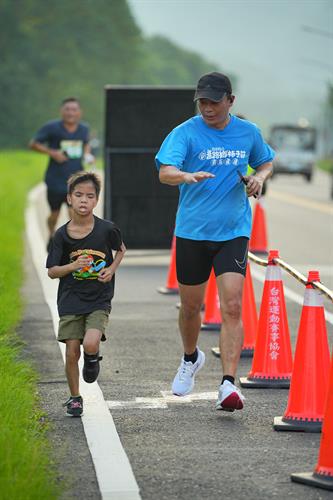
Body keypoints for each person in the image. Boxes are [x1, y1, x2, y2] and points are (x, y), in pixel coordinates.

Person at [155, 72, 274, 412]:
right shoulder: (185, 133)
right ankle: (191, 358)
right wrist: (185, 175)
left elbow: (264, 161)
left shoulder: (248, 132)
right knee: (191, 307)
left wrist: (258, 178)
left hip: (233, 231)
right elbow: (165, 172)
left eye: (214, 101)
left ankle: (228, 385)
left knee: (232, 305)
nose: (207, 108)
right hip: (192, 232)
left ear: (230, 101)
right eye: (202, 102)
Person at [46, 171, 126, 417]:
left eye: (89, 196)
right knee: (72, 350)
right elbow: (52, 271)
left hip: (98, 298)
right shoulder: (61, 235)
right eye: (78, 195)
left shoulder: (106, 230)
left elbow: (121, 249)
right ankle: (75, 398)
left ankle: (92, 358)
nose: (84, 200)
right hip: (70, 300)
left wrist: (111, 269)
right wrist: (72, 266)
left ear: (96, 200)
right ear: (69, 198)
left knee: (90, 343)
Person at [29, 97, 95, 250]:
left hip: (76, 180)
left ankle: (72, 242)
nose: (71, 113)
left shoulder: (84, 128)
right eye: (67, 109)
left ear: (80, 112)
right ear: (62, 111)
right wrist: (52, 153)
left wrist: (87, 154)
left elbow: (85, 145)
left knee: (74, 213)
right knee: (54, 214)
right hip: (55, 179)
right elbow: (33, 144)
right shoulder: (52, 127)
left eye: (74, 110)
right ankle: (51, 234)